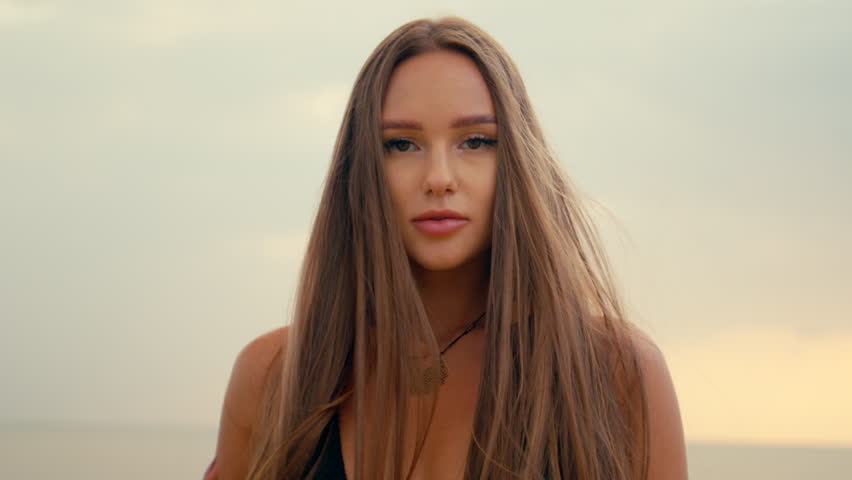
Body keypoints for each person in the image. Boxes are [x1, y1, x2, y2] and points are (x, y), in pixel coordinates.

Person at [205, 16, 687, 480]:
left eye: (475, 141)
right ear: (362, 170)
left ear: (517, 161)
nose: (439, 178)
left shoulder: (616, 374)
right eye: (401, 145)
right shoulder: (274, 377)